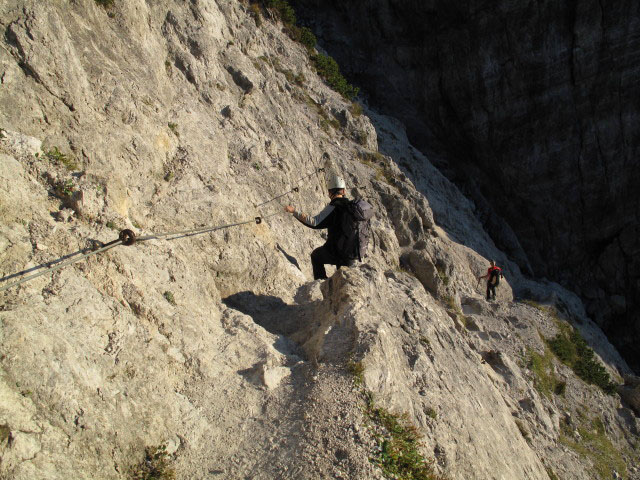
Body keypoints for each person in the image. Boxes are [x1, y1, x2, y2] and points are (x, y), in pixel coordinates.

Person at [284, 174, 354, 280]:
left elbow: (314, 222)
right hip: (352, 252)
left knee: (316, 257)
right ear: (343, 191)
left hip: (336, 251)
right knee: (344, 281)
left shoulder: (334, 207)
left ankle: (322, 285)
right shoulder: (352, 207)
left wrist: (294, 212)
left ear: (330, 192)